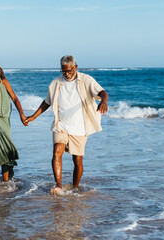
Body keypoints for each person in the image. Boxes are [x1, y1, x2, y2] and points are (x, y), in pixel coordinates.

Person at [25, 55, 108, 194]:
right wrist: (34, 116)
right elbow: (47, 102)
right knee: (57, 151)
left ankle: (75, 188)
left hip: (80, 127)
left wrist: (103, 102)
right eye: (64, 71)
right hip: (61, 125)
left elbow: (102, 93)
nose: (68, 74)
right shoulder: (55, 83)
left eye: (70, 71)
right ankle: (58, 185)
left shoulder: (86, 80)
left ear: (75, 67)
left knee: (77, 160)